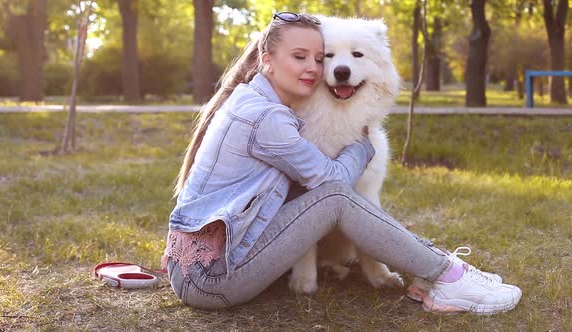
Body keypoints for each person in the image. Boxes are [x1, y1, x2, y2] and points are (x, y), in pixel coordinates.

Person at [161, 11, 522, 314]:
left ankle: (440, 271)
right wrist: (363, 144)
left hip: (203, 268)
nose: (314, 68)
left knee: (333, 195)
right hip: (210, 279)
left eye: (318, 59)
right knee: (333, 194)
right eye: (299, 57)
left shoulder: (255, 100)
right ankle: (446, 275)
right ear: (266, 60)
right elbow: (331, 183)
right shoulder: (265, 117)